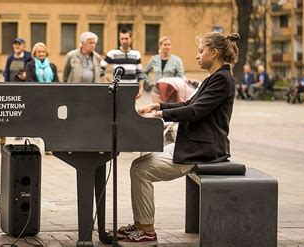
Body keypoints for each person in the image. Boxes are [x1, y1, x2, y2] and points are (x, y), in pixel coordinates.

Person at [118, 32, 240, 245]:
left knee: (140, 169)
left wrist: (160, 115)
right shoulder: (214, 77)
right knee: (141, 161)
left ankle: (146, 230)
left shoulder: (222, 79)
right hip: (193, 144)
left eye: (201, 51)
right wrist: (158, 106)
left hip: (203, 150)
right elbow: (188, 104)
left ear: (215, 52)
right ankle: (140, 225)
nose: (197, 56)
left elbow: (195, 112)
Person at [100, 29, 144, 99]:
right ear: (119, 39)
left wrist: (141, 89)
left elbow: (139, 73)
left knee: (130, 109)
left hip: (132, 88)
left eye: (126, 38)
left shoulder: (136, 54)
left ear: (131, 39)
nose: (124, 41)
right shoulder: (113, 53)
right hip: (117, 88)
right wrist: (105, 81)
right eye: (122, 39)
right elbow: (101, 67)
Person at [142, 37, 185, 102]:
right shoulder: (154, 59)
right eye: (165, 45)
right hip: (156, 92)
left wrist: (176, 85)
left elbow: (181, 76)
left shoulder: (177, 60)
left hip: (171, 92)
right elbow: (144, 72)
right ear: (160, 46)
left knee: (168, 111)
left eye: (169, 45)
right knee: (157, 111)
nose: (167, 47)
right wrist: (150, 82)